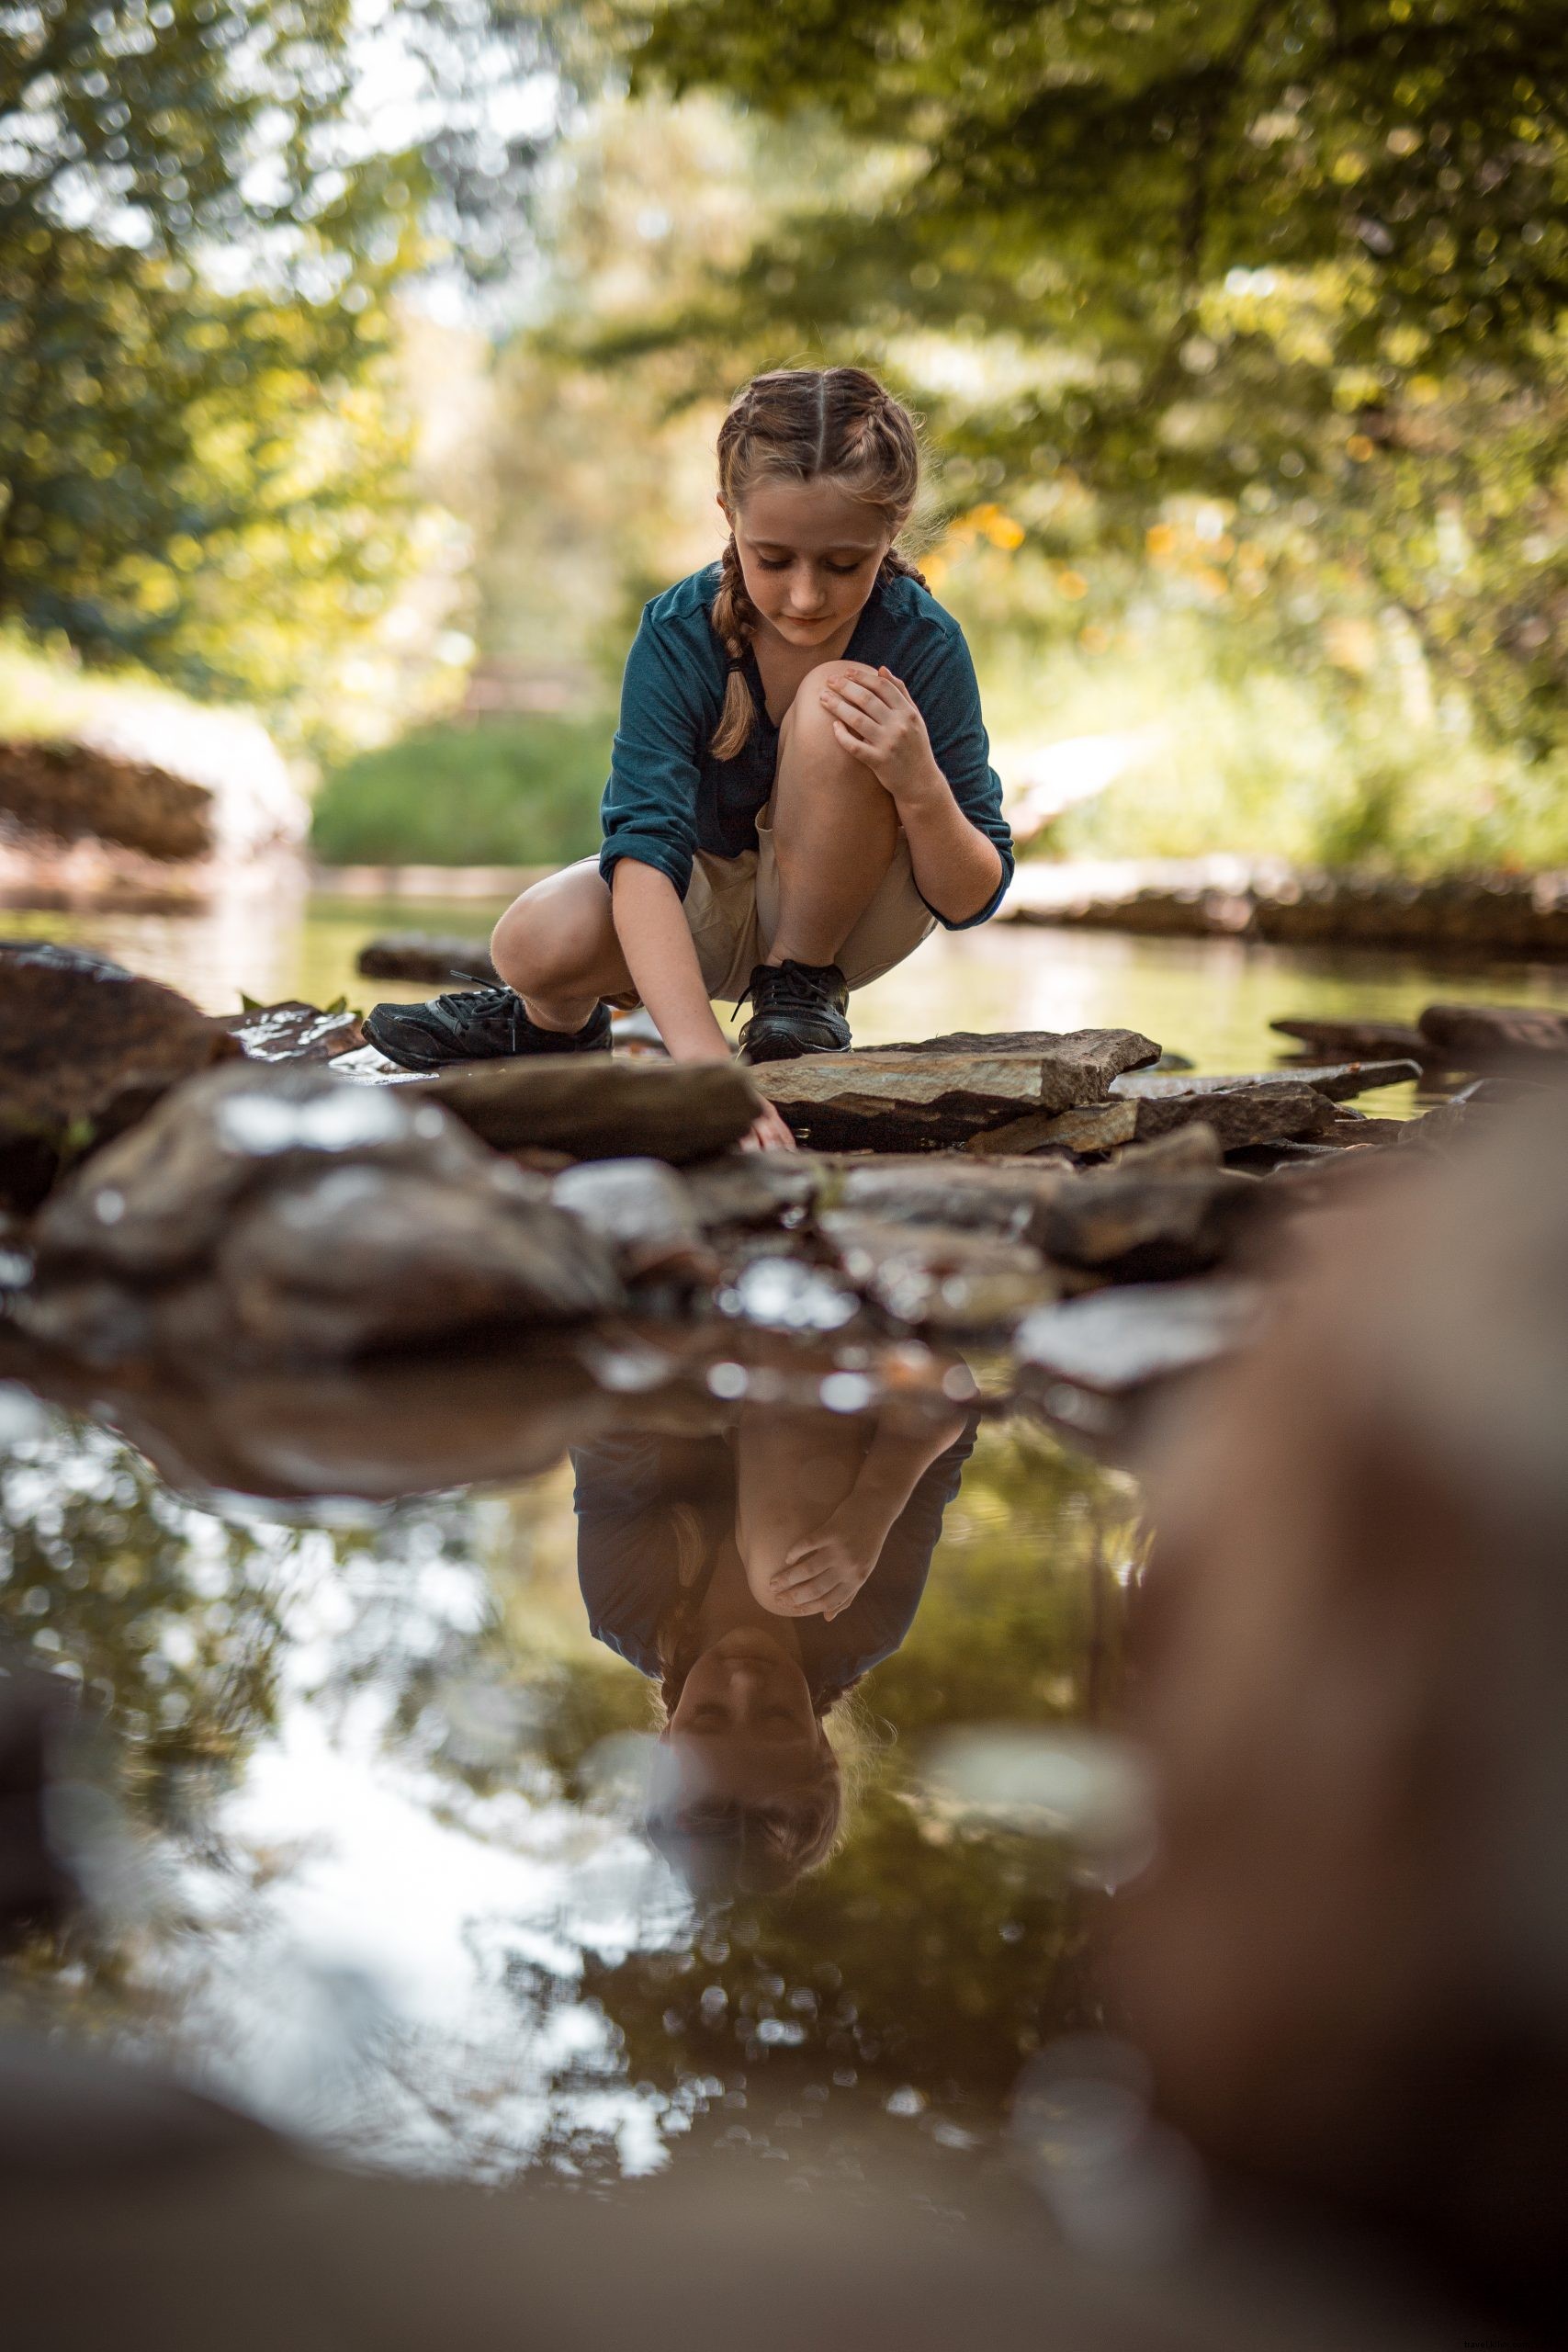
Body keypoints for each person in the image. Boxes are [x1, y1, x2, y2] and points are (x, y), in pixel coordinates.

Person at [366, 367, 1014, 1148]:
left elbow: (971, 896)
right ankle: (548, 1031)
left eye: (843, 565)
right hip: (711, 902)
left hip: (849, 922)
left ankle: (796, 994)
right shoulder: (678, 634)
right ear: (727, 516)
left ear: (892, 530)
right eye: (772, 559)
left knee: (834, 695)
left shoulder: (921, 639)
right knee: (530, 943)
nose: (805, 596)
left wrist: (917, 784)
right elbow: (642, 853)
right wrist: (704, 1067)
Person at [572, 1403, 974, 1894]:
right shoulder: (862, 1626)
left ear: (666, 1741)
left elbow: (603, 1411)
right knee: (777, 1576)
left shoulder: (629, 1606)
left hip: (687, 1360)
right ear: (823, 1751)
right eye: (777, 1717)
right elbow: (951, 1406)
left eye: (710, 1716)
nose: (744, 1681)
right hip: (842, 1374)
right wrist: (873, 1504)